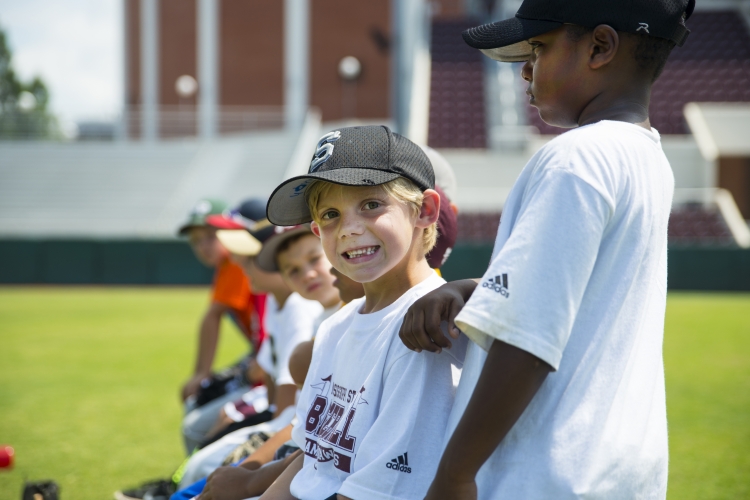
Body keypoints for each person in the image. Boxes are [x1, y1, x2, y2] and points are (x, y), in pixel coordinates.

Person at [398, 1, 694, 498]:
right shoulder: (645, 155)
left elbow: (527, 338)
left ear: (600, 46)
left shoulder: (577, 158)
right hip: (615, 470)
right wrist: (481, 291)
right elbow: (578, 296)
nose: (525, 70)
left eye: (538, 47)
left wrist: (456, 472)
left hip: (542, 474)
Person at [260, 125, 466, 500]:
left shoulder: (425, 331)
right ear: (315, 230)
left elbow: (376, 490)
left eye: (371, 205)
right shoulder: (336, 327)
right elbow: (313, 462)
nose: (349, 229)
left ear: (426, 210)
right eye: (330, 214)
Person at [177, 198, 257, 403]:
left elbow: (213, 315)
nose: (203, 246)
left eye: (210, 236)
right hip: (264, 352)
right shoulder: (226, 265)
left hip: (271, 356)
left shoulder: (235, 261)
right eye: (196, 240)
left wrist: (201, 373)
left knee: (202, 401)